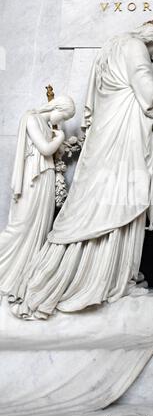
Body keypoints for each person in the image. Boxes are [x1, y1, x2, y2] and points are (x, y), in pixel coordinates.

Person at [10, 20, 153, 320]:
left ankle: (104, 275)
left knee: (98, 199)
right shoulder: (135, 46)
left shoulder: (109, 47)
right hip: (124, 134)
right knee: (120, 199)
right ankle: (107, 279)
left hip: (105, 130)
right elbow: (150, 93)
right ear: (152, 42)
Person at [0, 96, 75, 298]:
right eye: (64, 114)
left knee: (38, 230)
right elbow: (45, 149)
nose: (62, 119)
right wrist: (58, 138)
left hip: (45, 180)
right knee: (20, 227)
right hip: (33, 181)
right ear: (56, 107)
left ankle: (20, 277)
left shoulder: (46, 123)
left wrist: (57, 135)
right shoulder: (31, 118)